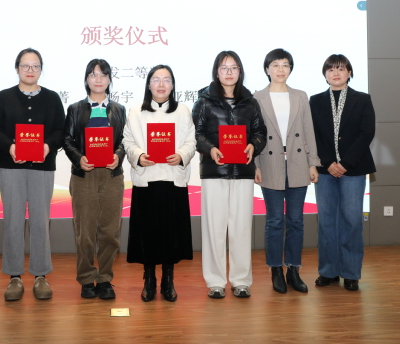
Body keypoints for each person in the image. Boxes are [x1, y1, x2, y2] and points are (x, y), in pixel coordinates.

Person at [0, 48, 65, 300]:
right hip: (12, 168)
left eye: (35, 66)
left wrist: (48, 146)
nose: (30, 70)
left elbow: (60, 130)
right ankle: (14, 277)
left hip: (42, 168)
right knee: (13, 221)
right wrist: (10, 147)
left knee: (41, 222)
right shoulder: (4, 97)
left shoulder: (52, 98)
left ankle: (41, 275)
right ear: (17, 68)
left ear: (41, 69)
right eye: (25, 66)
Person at [192, 50, 267, 299]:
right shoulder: (204, 101)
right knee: (213, 228)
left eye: (234, 68)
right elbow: (196, 134)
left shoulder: (250, 101)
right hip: (214, 172)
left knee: (241, 228)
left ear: (240, 71)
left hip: (243, 171)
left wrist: (253, 146)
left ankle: (241, 281)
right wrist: (210, 149)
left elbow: (260, 132)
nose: (229, 72)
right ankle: (215, 281)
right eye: (224, 68)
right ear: (216, 71)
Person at [123, 64, 196, 302]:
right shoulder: (135, 112)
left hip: (173, 180)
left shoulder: (183, 111)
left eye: (167, 80)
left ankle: (168, 280)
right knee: (148, 234)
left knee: (170, 234)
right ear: (148, 85)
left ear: (173, 85)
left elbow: (191, 141)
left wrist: (182, 155)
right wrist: (138, 156)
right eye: (156, 80)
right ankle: (149, 280)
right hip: (147, 180)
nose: (161, 84)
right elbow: (128, 141)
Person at [253, 49, 320, 294]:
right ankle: (275, 269)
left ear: (290, 69)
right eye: (275, 64)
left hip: (298, 162)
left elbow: (309, 130)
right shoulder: (256, 98)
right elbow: (252, 134)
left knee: (296, 220)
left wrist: (313, 163)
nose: (280, 69)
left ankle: (293, 269)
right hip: (269, 163)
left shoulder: (300, 96)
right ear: (267, 69)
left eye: (285, 65)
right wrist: (255, 165)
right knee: (274, 221)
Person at [309, 54, 376, 291]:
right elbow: (313, 135)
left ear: (349, 72)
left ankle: (350, 273)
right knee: (326, 221)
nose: (336, 73)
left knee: (352, 220)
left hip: (354, 169)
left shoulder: (362, 99)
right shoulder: (315, 101)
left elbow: (367, 133)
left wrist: (346, 163)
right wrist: (328, 162)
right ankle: (328, 271)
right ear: (325, 74)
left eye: (341, 69)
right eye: (331, 69)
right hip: (325, 170)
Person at [63, 59, 127, 300]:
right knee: (85, 231)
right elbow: (67, 140)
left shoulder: (119, 110)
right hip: (84, 176)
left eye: (103, 75)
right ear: (86, 79)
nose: (98, 79)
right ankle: (86, 278)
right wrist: (78, 158)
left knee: (110, 231)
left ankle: (105, 278)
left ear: (110, 79)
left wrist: (118, 155)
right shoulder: (75, 109)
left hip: (111, 175)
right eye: (93, 74)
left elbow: (124, 140)